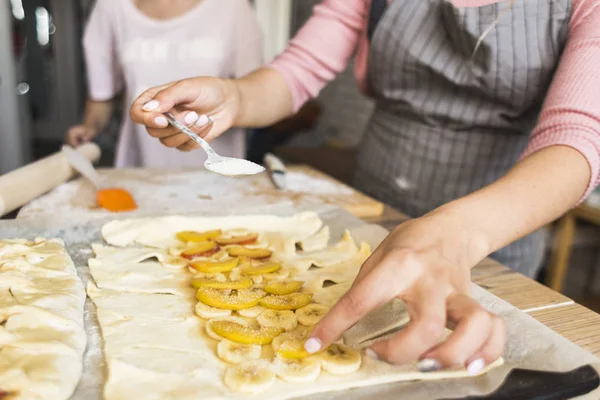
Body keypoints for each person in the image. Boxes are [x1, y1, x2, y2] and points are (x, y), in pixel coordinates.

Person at [130, 0, 600, 375]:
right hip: (372, 213)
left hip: (493, 235)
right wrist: (234, 97)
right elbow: (297, 70)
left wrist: (452, 236)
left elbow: (577, 138)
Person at [66, 0, 263, 167]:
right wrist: (89, 128)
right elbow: (102, 93)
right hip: (141, 167)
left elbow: (255, 94)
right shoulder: (111, 7)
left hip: (217, 170)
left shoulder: (233, 7)